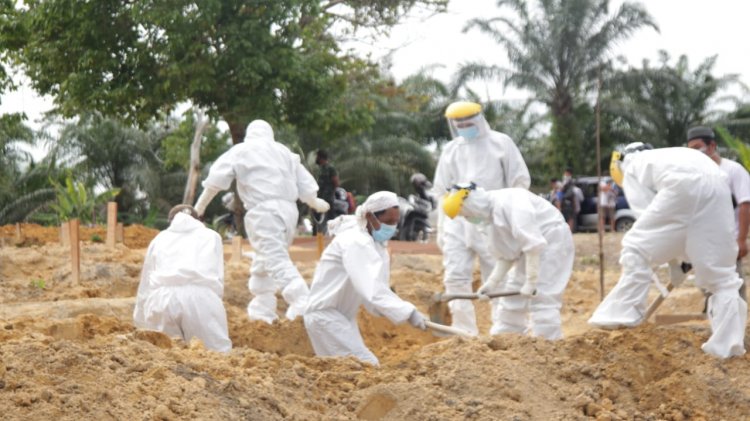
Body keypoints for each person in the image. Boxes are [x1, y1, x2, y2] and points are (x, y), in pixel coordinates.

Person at [588, 142, 746, 358]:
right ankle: (728, 348)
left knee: (636, 249)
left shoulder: (632, 164)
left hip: (683, 184)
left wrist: (673, 259)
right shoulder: (673, 156)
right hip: (718, 185)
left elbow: (647, 217)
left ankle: (618, 319)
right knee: (722, 277)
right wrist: (681, 260)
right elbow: (681, 227)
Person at [193, 120, 330, 324]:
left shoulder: (242, 150)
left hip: (264, 210)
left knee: (274, 258)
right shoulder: (283, 152)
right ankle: (262, 311)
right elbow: (305, 182)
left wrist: (199, 208)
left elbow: (215, 181)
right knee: (264, 259)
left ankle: (303, 302)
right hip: (289, 211)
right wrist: (314, 201)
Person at [433, 101, 531, 336]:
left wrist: (511, 217)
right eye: (459, 123)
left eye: (468, 121)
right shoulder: (451, 150)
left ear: (479, 118)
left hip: (492, 220)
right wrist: (441, 225)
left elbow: (519, 181)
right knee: (455, 276)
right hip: (457, 222)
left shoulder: (501, 143)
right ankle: (463, 332)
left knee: (499, 276)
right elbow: (440, 190)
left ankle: (506, 330)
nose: (464, 126)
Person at [303, 191, 428, 365]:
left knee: (350, 372)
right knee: (366, 366)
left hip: (341, 319)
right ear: (370, 216)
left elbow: (373, 301)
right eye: (389, 222)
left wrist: (402, 312)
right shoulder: (356, 242)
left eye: (395, 222)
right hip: (326, 318)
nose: (393, 228)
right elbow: (372, 290)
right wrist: (407, 311)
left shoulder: (375, 246)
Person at [442, 184, 574, 339]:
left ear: (471, 202)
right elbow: (506, 256)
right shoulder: (489, 219)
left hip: (552, 241)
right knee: (512, 296)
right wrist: (491, 284)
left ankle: (548, 345)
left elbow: (533, 243)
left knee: (542, 297)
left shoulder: (513, 202)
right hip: (530, 251)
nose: (468, 219)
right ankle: (506, 339)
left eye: (466, 214)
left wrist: (531, 282)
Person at [133, 205, 232, 353]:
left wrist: (140, 318)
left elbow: (146, 282)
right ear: (199, 220)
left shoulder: (159, 239)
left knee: (165, 357)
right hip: (201, 298)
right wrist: (214, 305)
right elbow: (218, 277)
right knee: (215, 355)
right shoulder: (212, 236)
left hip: (161, 300)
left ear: (170, 221)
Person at [686, 125, 750, 299]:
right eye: (690, 149)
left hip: (729, 241)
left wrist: (742, 239)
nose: (695, 153)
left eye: (697, 147)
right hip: (704, 242)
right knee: (708, 286)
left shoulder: (733, 170)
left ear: (712, 146)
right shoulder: (696, 175)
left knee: (732, 284)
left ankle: (736, 322)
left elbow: (745, 204)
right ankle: (716, 319)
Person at [312, 149, 340, 235]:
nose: (316, 159)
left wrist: (331, 192)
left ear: (321, 157)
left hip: (328, 198)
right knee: (317, 218)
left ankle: (331, 235)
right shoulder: (320, 169)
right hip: (319, 199)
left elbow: (336, 181)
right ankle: (316, 235)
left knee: (330, 219)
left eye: (317, 157)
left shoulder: (330, 168)